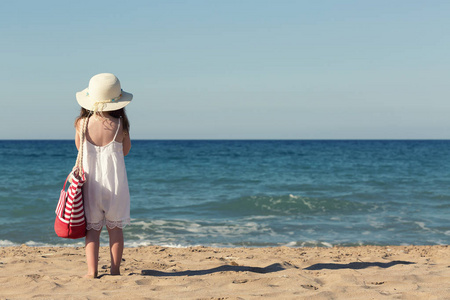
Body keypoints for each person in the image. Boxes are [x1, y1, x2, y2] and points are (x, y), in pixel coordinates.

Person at [74, 73, 133, 278]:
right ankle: (115, 270)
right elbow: (125, 151)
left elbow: (79, 149)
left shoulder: (81, 124)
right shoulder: (120, 125)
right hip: (115, 184)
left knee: (92, 230)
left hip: (91, 184)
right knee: (115, 229)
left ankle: (92, 272)